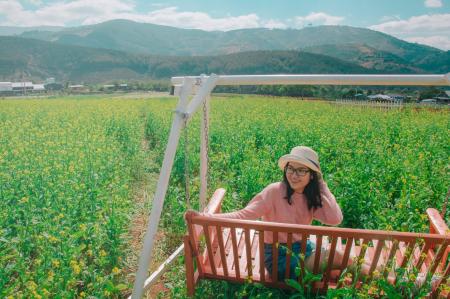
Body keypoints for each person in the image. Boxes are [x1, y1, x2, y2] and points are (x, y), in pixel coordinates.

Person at [185, 146, 347, 281]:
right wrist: (206, 217)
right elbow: (243, 215)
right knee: (338, 258)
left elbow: (335, 219)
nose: (294, 175)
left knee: (340, 258)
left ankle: (370, 273)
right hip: (279, 259)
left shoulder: (310, 196)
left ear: (312, 176)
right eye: (290, 168)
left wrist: (322, 186)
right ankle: (370, 275)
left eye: (301, 170)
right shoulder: (274, 191)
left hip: (304, 250)